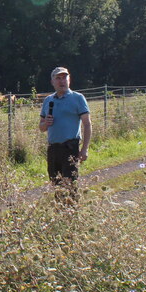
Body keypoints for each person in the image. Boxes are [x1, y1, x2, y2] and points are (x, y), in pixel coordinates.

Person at [38, 67, 91, 201]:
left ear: (69, 80)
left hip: (70, 147)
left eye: (64, 78)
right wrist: (46, 124)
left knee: (70, 183)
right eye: (58, 78)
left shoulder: (78, 98)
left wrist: (84, 149)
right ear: (52, 82)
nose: (62, 81)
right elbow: (41, 127)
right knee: (55, 182)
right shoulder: (48, 100)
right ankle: (60, 213)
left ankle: (72, 214)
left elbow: (87, 124)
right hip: (53, 149)